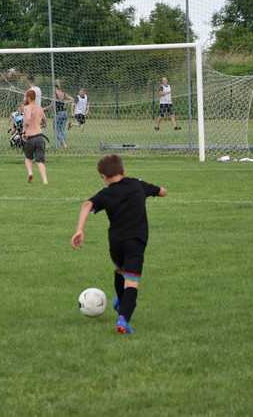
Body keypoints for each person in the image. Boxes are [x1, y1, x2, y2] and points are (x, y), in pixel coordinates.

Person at [71, 154, 167, 334]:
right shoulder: (137, 184)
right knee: (131, 282)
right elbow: (162, 191)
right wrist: (155, 190)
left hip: (115, 243)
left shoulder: (106, 193)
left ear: (103, 177)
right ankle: (123, 320)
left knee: (120, 270)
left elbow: (86, 205)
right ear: (123, 170)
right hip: (136, 242)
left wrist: (80, 230)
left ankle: (120, 303)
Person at [22, 89, 48, 184]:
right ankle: (45, 180)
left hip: (30, 137)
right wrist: (41, 124)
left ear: (29, 97)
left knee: (28, 158)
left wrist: (24, 130)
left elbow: (27, 119)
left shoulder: (27, 108)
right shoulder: (40, 108)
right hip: (40, 137)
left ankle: (30, 173)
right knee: (40, 161)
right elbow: (45, 121)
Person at [50, 81, 73, 148]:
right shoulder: (63, 93)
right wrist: (65, 102)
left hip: (59, 113)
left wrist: (45, 108)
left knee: (56, 129)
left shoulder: (55, 94)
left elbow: (52, 105)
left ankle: (64, 144)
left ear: (54, 87)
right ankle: (62, 144)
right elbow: (72, 99)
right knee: (62, 129)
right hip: (65, 113)